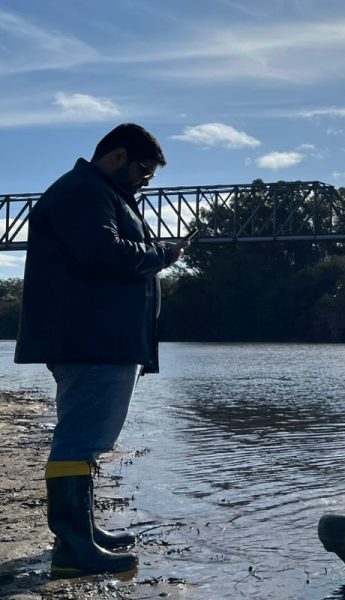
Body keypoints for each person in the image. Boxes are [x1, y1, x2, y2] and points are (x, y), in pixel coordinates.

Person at [14, 123, 189, 577]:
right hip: (89, 339)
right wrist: (163, 256)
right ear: (117, 157)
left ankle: (84, 533)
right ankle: (73, 549)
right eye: (144, 170)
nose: (146, 180)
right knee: (79, 440)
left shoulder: (97, 193)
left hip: (98, 339)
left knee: (87, 440)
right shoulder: (84, 192)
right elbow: (103, 252)